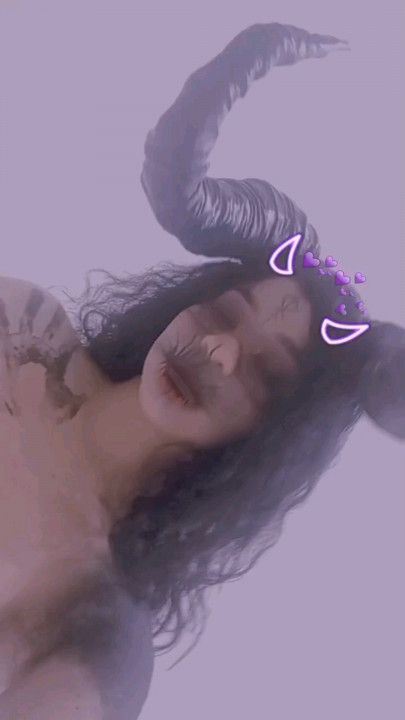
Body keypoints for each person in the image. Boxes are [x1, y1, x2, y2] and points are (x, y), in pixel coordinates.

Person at [0, 22, 403, 720]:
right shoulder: (21, 329)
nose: (218, 352)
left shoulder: (98, 628)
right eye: (224, 312)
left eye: (263, 372)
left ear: (264, 441)